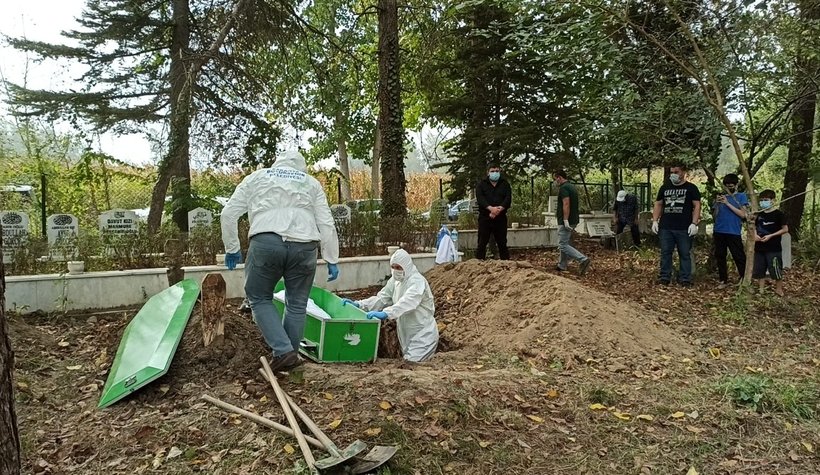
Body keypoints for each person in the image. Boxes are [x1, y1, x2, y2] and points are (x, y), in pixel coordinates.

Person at [221, 150, 340, 373]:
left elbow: (228, 214)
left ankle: (284, 352)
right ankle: (289, 357)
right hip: (305, 247)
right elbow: (326, 222)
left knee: (258, 296)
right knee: (297, 303)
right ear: (301, 167)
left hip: (267, 242)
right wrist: (332, 258)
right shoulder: (310, 183)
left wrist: (232, 248)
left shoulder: (258, 177)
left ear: (277, 164)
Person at [341, 249, 439, 362]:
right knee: (406, 365)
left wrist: (386, 313)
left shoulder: (417, 281)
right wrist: (360, 304)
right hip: (406, 335)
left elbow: (408, 302)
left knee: (411, 366)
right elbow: (382, 298)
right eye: (393, 267)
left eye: (398, 267)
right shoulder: (396, 281)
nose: (395, 270)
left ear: (406, 266)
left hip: (423, 336)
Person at [652, 164, 701, 287]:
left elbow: (697, 206)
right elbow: (658, 204)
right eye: (672, 172)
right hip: (666, 227)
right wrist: (654, 221)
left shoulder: (691, 188)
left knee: (685, 253)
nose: (674, 174)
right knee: (665, 252)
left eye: (677, 171)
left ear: (683, 172)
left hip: (684, 227)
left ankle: (685, 279)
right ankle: (664, 277)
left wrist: (694, 223)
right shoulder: (665, 187)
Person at [712, 173, 748, 288]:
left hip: (733, 231)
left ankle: (743, 278)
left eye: (731, 186)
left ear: (736, 185)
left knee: (738, 256)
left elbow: (743, 214)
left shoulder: (741, 197)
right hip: (719, 230)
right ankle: (723, 280)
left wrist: (727, 204)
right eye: (727, 186)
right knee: (720, 255)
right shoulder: (722, 197)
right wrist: (717, 204)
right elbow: (715, 215)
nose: (729, 188)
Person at [553, 170, 590, 275]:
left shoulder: (563, 188)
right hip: (573, 219)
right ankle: (562, 265)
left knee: (562, 245)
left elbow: (566, 204)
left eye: (555, 179)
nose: (555, 182)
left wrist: (565, 220)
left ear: (559, 177)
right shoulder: (572, 187)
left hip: (566, 220)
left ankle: (583, 259)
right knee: (565, 241)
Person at [753, 190, 788, 296]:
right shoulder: (758, 214)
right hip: (759, 247)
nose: (763, 202)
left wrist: (771, 236)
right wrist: (755, 235)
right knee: (760, 269)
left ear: (773, 201)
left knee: (776, 269)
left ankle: (778, 289)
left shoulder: (779, 214)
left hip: (773, 248)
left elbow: (785, 229)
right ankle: (761, 290)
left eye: (766, 200)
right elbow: (753, 226)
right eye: (762, 200)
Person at [475, 164, 511, 260]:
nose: (495, 173)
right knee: (482, 243)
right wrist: (491, 209)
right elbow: (480, 199)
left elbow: (508, 199)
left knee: (502, 243)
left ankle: (506, 264)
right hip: (485, 217)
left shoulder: (505, 184)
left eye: (497, 171)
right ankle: (479, 263)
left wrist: (499, 209)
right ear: (488, 173)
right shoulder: (481, 185)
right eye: (492, 171)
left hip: (501, 218)